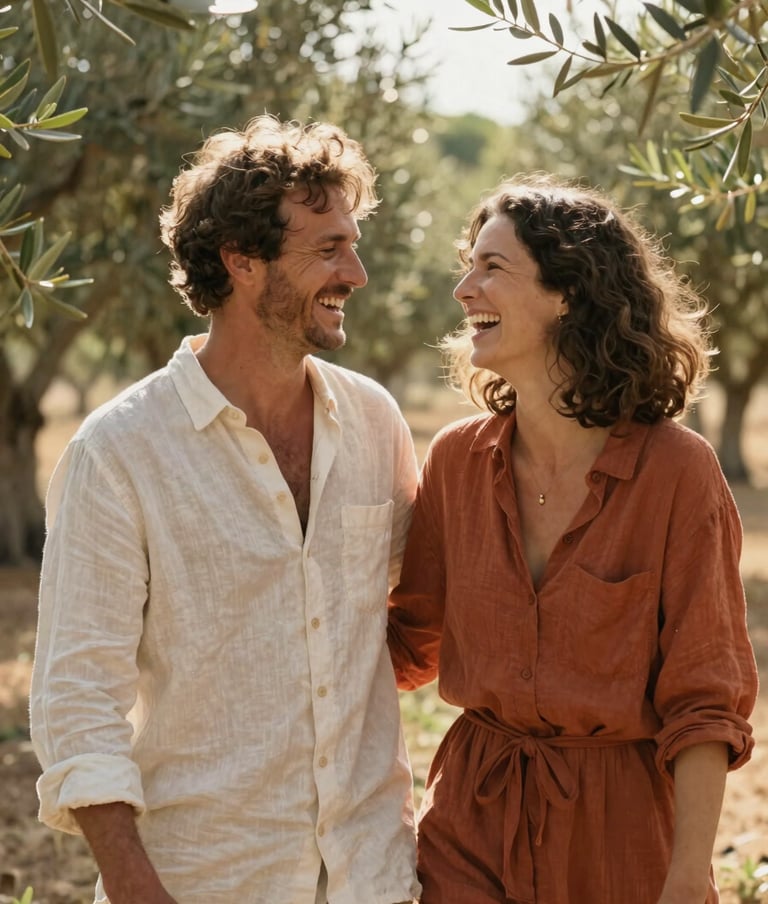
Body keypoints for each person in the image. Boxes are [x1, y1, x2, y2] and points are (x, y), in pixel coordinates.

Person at [30, 116, 421, 904]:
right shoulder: (120, 452)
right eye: (328, 249)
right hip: (204, 879)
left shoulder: (377, 423)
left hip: (371, 878)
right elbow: (78, 698)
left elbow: (414, 618)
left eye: (353, 242)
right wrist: (141, 891)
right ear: (241, 262)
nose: (357, 273)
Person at [387, 174, 759, 904]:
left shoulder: (677, 474)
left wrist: (690, 873)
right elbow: (408, 645)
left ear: (569, 294)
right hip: (470, 822)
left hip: (618, 837)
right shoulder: (456, 461)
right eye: (469, 264)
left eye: (492, 267)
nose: (464, 289)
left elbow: (704, 699)